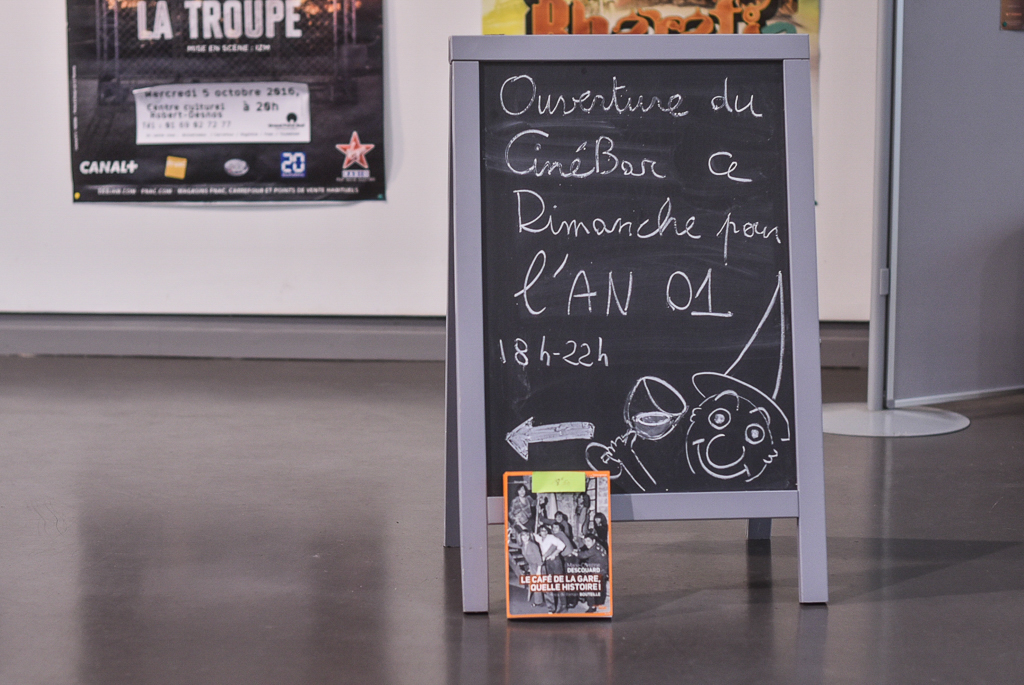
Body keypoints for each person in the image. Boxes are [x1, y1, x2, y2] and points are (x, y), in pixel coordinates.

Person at [576, 533, 609, 612]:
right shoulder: (598, 545)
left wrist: (575, 553)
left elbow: (583, 555)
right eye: (585, 541)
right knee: (601, 587)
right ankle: (600, 602)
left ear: (593, 541)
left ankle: (592, 607)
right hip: (603, 570)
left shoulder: (593, 550)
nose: (586, 543)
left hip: (597, 571)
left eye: (588, 541)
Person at [537, 525, 566, 613]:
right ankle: (553, 605)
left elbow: (562, 545)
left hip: (555, 561)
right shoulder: (539, 539)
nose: (544, 532)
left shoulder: (551, 537)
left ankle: (564, 605)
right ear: (539, 532)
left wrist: (554, 554)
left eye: (545, 530)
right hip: (548, 562)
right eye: (542, 530)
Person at [517, 530, 544, 607]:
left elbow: (539, 559)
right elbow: (512, 544)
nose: (525, 537)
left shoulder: (533, 545)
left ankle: (539, 602)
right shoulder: (523, 545)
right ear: (520, 537)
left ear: (529, 536)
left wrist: (538, 571)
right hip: (532, 566)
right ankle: (538, 601)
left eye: (527, 535)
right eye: (523, 535)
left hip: (538, 566)